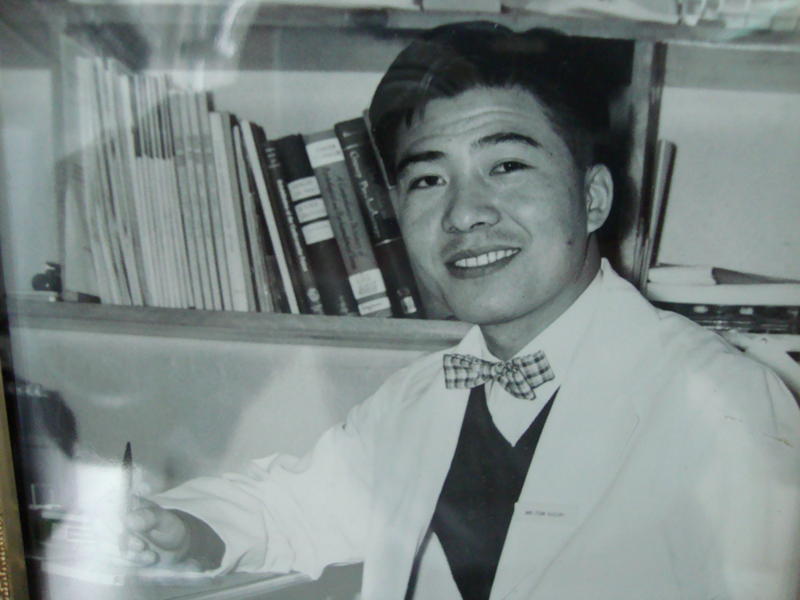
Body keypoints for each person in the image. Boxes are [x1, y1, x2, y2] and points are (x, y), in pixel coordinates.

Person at [124, 22, 800, 599]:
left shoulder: (729, 405)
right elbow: (291, 505)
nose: (464, 213)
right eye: (427, 179)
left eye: (506, 166)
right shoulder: (418, 398)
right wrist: (173, 530)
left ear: (594, 199)